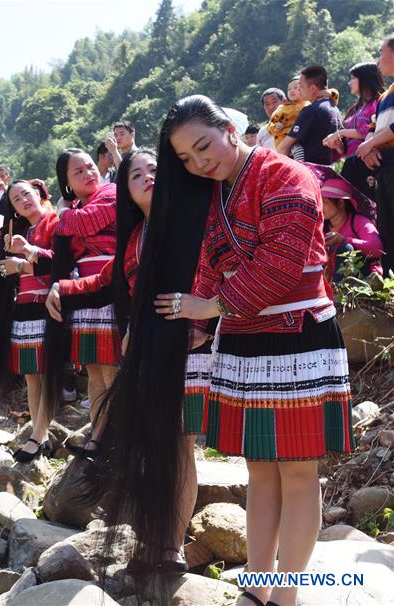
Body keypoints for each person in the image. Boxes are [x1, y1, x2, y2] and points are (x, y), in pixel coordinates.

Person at [154, 95, 352, 606]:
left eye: (204, 146)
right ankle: (257, 587)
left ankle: (287, 594)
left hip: (297, 332)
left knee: (298, 470)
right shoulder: (213, 192)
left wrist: (211, 307)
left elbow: (282, 261)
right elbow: (209, 264)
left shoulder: (287, 175)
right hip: (243, 336)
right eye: (186, 159)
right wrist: (196, 324)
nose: (199, 163)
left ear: (229, 128)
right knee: (259, 470)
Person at [46, 148, 210, 573]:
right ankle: (156, 538)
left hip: (190, 347)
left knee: (180, 445)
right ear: (126, 191)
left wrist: (205, 321)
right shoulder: (135, 236)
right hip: (148, 351)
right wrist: (62, 287)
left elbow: (214, 269)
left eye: (155, 169)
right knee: (154, 444)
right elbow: (106, 280)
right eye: (136, 174)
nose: (148, 176)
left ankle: (170, 547)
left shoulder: (193, 217)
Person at [0, 179, 59, 462]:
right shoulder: (19, 230)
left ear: (38, 193)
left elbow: (61, 262)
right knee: (32, 377)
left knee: (44, 375)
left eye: (26, 194)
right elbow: (0, 272)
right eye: (15, 199)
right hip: (23, 307)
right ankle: (39, 434)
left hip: (46, 304)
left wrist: (22, 262)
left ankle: (38, 435)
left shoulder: (56, 222)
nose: (23, 200)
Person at [44, 148, 119, 454]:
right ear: (67, 182)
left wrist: (63, 214)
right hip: (84, 294)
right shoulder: (74, 208)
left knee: (113, 370)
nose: (89, 173)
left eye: (90, 166)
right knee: (94, 373)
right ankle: (97, 436)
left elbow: (88, 222)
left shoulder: (111, 192)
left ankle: (117, 440)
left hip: (112, 288)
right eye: (79, 171)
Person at [356, 36, 394, 273]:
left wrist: (370, 144)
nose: (378, 59)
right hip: (384, 168)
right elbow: (373, 126)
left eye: (381, 52)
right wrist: (370, 147)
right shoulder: (385, 95)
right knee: (387, 230)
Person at [322, 62, 385, 201]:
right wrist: (339, 146)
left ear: (364, 79)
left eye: (353, 78)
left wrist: (340, 133)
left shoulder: (379, 102)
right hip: (351, 164)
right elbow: (346, 147)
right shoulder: (355, 109)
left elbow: (368, 131)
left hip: (369, 162)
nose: (349, 82)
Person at [277, 65, 343, 164]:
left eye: (301, 86)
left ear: (312, 88)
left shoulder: (311, 110)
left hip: (309, 169)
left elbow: (283, 149)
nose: (298, 89)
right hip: (327, 168)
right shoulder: (335, 109)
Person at [321, 176, 384, 279]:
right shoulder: (321, 227)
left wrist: (345, 240)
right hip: (331, 278)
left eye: (324, 201)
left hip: (363, 278)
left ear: (340, 203)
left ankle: (339, 287)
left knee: (346, 248)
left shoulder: (359, 222)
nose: (319, 206)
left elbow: (377, 248)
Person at [266, 80, 306, 149]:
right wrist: (275, 127)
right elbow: (271, 124)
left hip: (302, 139)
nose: (291, 91)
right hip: (284, 142)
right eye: (289, 89)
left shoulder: (309, 104)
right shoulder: (283, 108)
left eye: (295, 88)